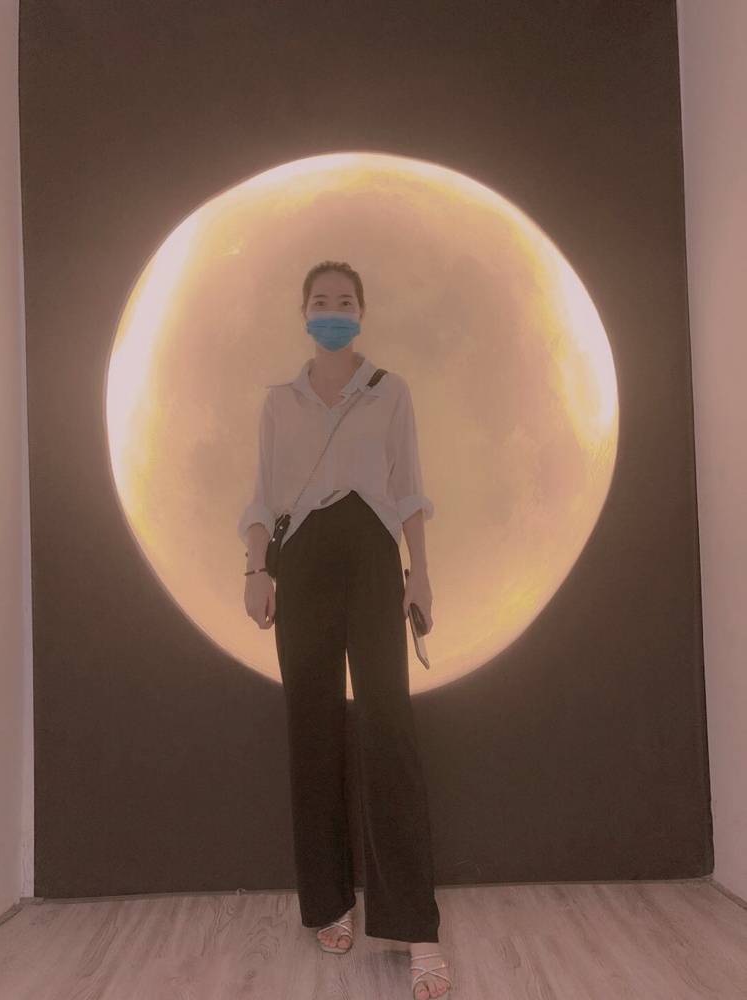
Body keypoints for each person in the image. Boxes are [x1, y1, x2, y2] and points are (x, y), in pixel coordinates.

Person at [239, 261, 452, 999]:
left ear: (362, 312)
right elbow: (263, 496)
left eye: (345, 301)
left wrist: (419, 573)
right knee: (313, 724)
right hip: (300, 562)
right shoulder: (279, 401)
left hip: (370, 552)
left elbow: (410, 489)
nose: (333, 310)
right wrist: (256, 570)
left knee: (388, 727)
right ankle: (328, 901)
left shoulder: (390, 391)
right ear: (304, 312)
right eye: (321, 300)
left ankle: (417, 927)